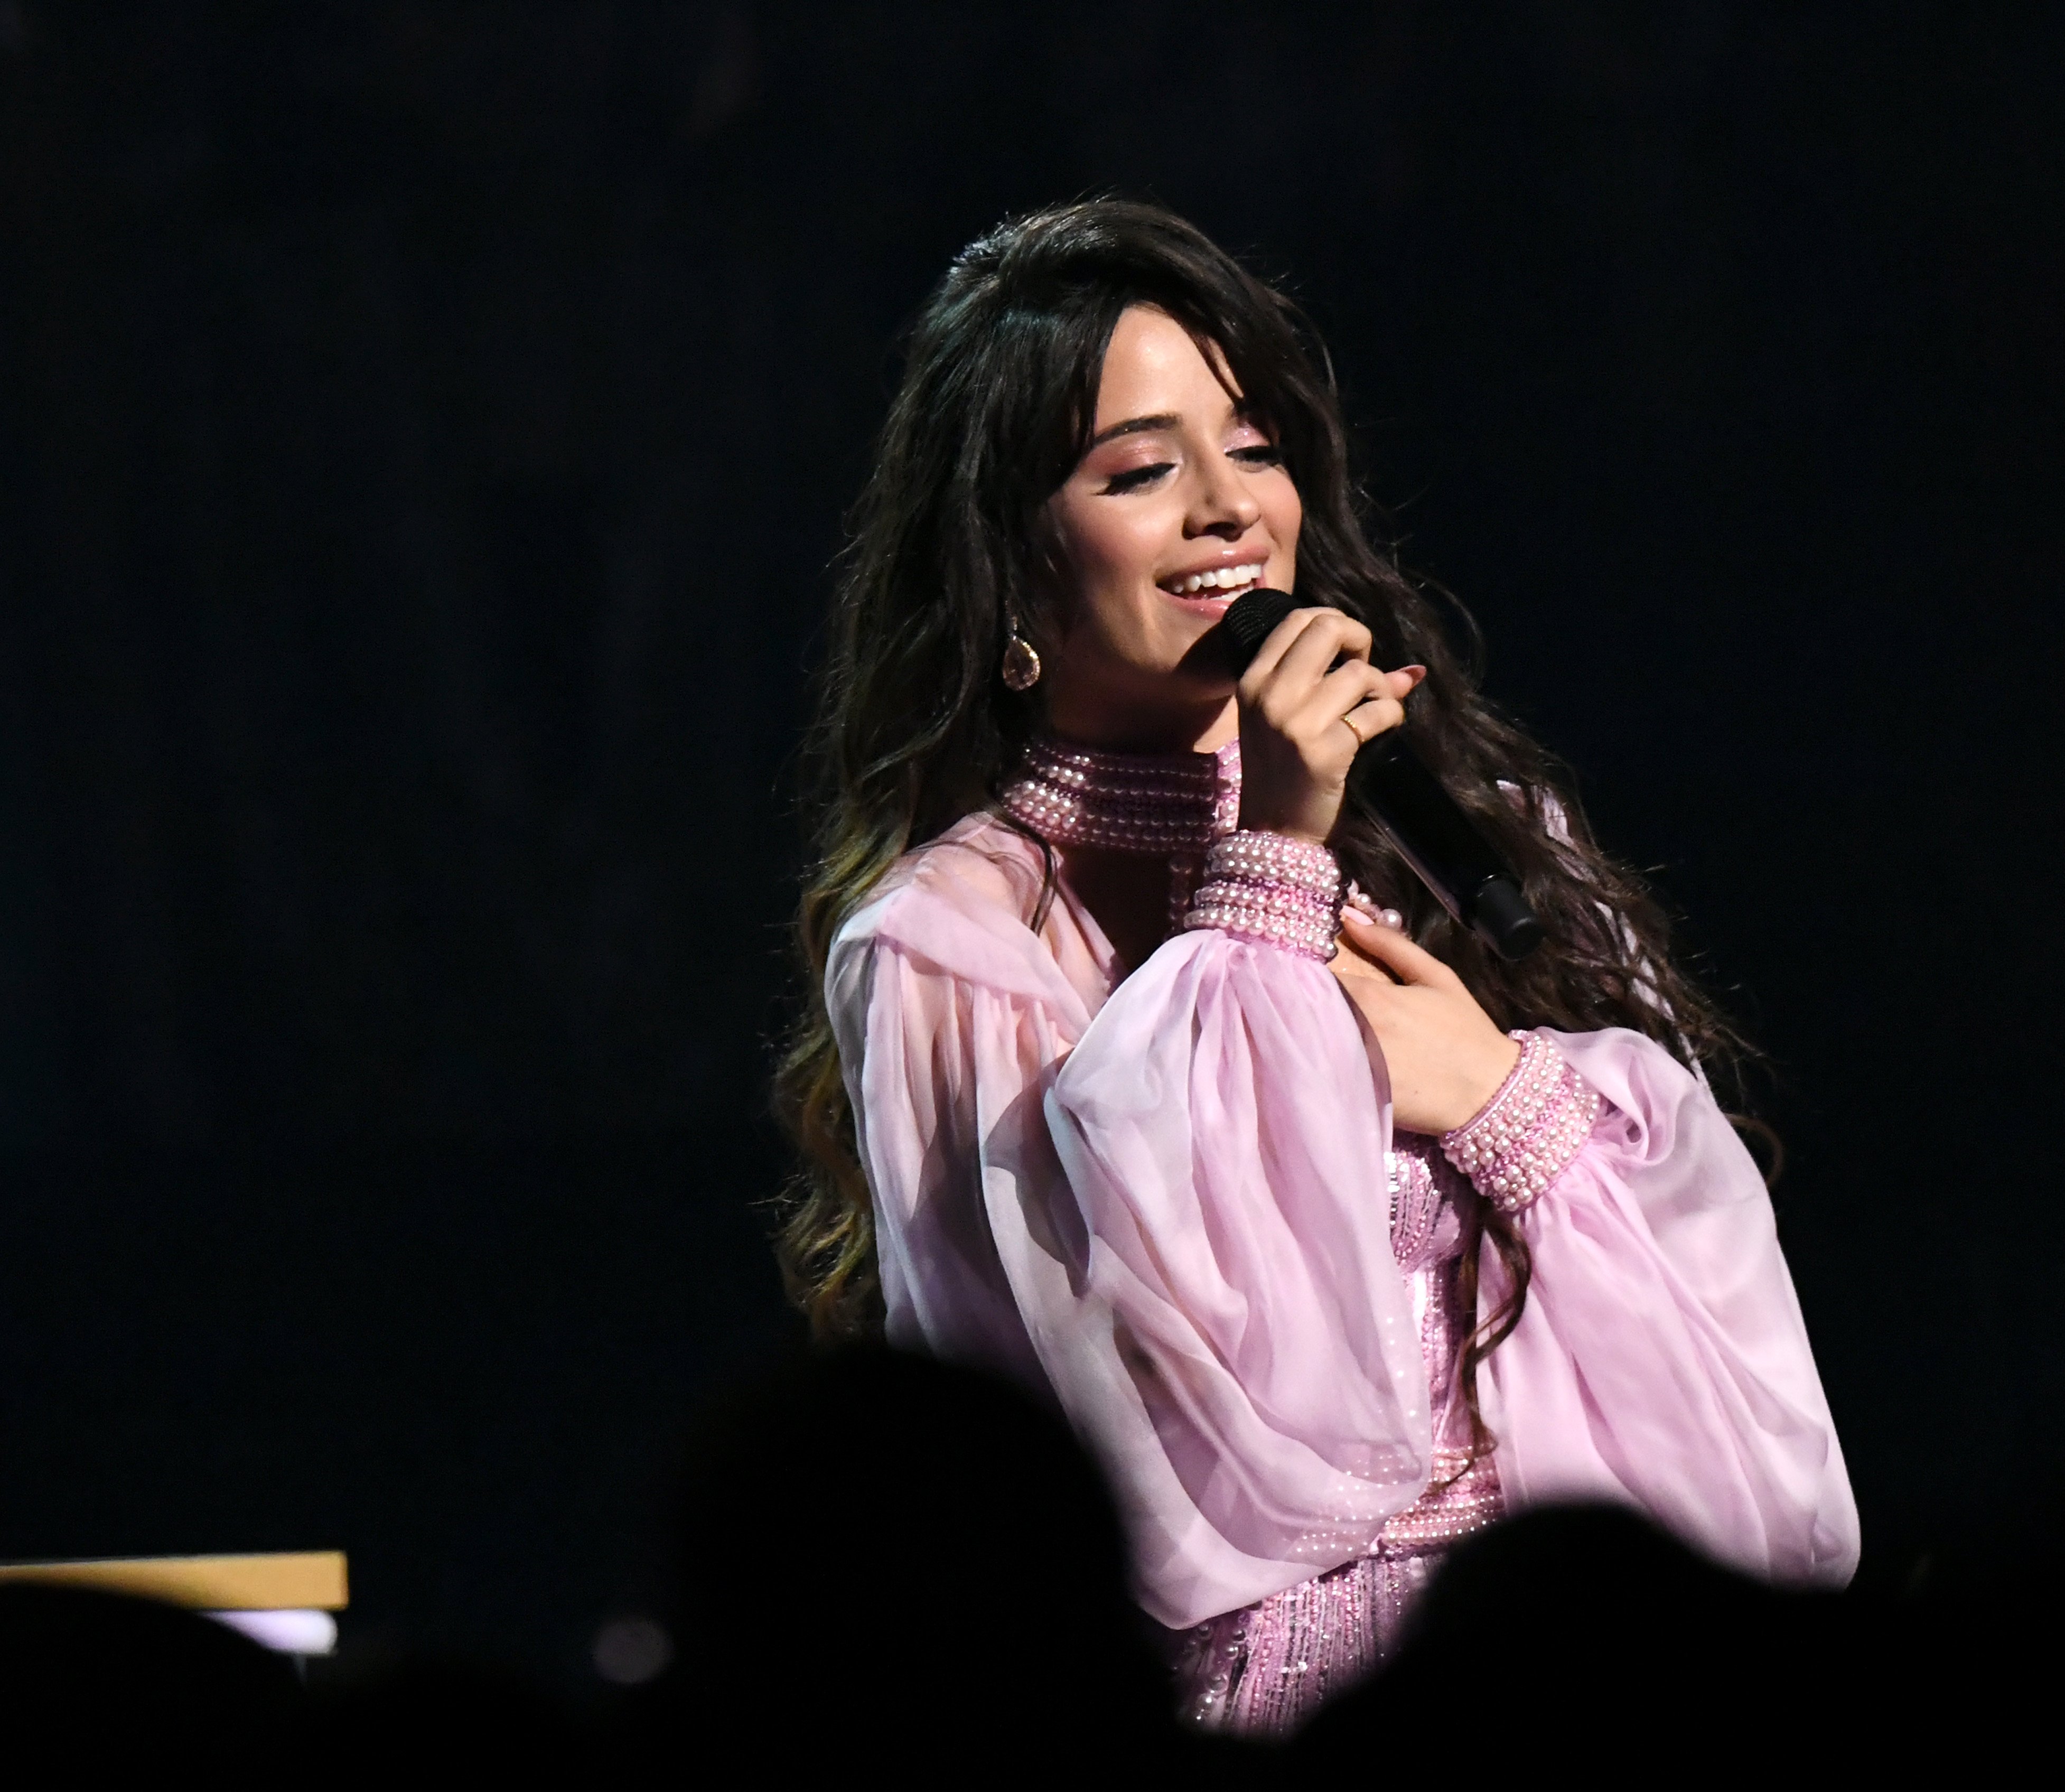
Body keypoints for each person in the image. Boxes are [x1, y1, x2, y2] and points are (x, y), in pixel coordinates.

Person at [776, 199, 1857, 1735]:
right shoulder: (953, 948)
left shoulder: (1465, 836)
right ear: (1008, 574)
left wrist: (1501, 1097)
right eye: (1141, 470)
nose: (1230, 508)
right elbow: (1153, 1463)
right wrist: (1272, 858)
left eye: (1258, 447)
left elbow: (1740, 1410)